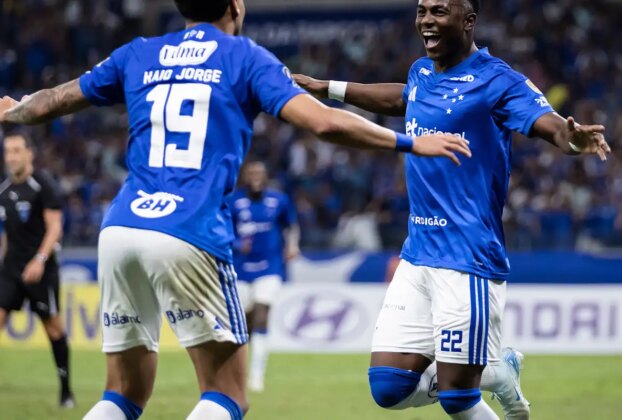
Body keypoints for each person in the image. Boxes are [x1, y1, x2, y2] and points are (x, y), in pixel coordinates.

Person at [0, 1, 472, 418]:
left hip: (121, 228)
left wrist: (14, 110)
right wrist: (411, 142)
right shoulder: (245, 57)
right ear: (235, 6)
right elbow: (324, 123)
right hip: (188, 229)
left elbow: (54, 100)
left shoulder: (139, 52)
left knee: (122, 394)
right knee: (227, 394)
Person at [294, 0, 611, 419]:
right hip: (417, 253)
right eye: (422, 10)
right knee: (388, 387)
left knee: (458, 399)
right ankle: (495, 371)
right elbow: (402, 98)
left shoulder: (498, 80)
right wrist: (328, 88)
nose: (426, 20)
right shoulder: (421, 72)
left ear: (468, 20)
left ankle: (495, 374)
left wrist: (572, 140)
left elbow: (548, 123)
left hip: (467, 258)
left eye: (439, 11)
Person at [0, 132, 74, 408]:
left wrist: (39, 260)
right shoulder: (4, 190)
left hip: (41, 270)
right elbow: (8, 233)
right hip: (11, 269)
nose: (11, 157)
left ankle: (66, 392)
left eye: (16, 150)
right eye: (7, 151)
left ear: (29, 153)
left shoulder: (43, 185)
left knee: (53, 329)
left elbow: (55, 227)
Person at [229, 161, 299, 393]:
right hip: (240, 269)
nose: (256, 177)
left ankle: (256, 375)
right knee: (244, 323)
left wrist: (292, 245)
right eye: (251, 173)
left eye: (260, 173)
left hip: (270, 267)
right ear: (244, 177)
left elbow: (291, 225)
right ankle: (238, 373)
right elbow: (222, 231)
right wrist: (237, 244)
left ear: (266, 176)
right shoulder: (234, 201)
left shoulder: (279, 200)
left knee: (262, 315)